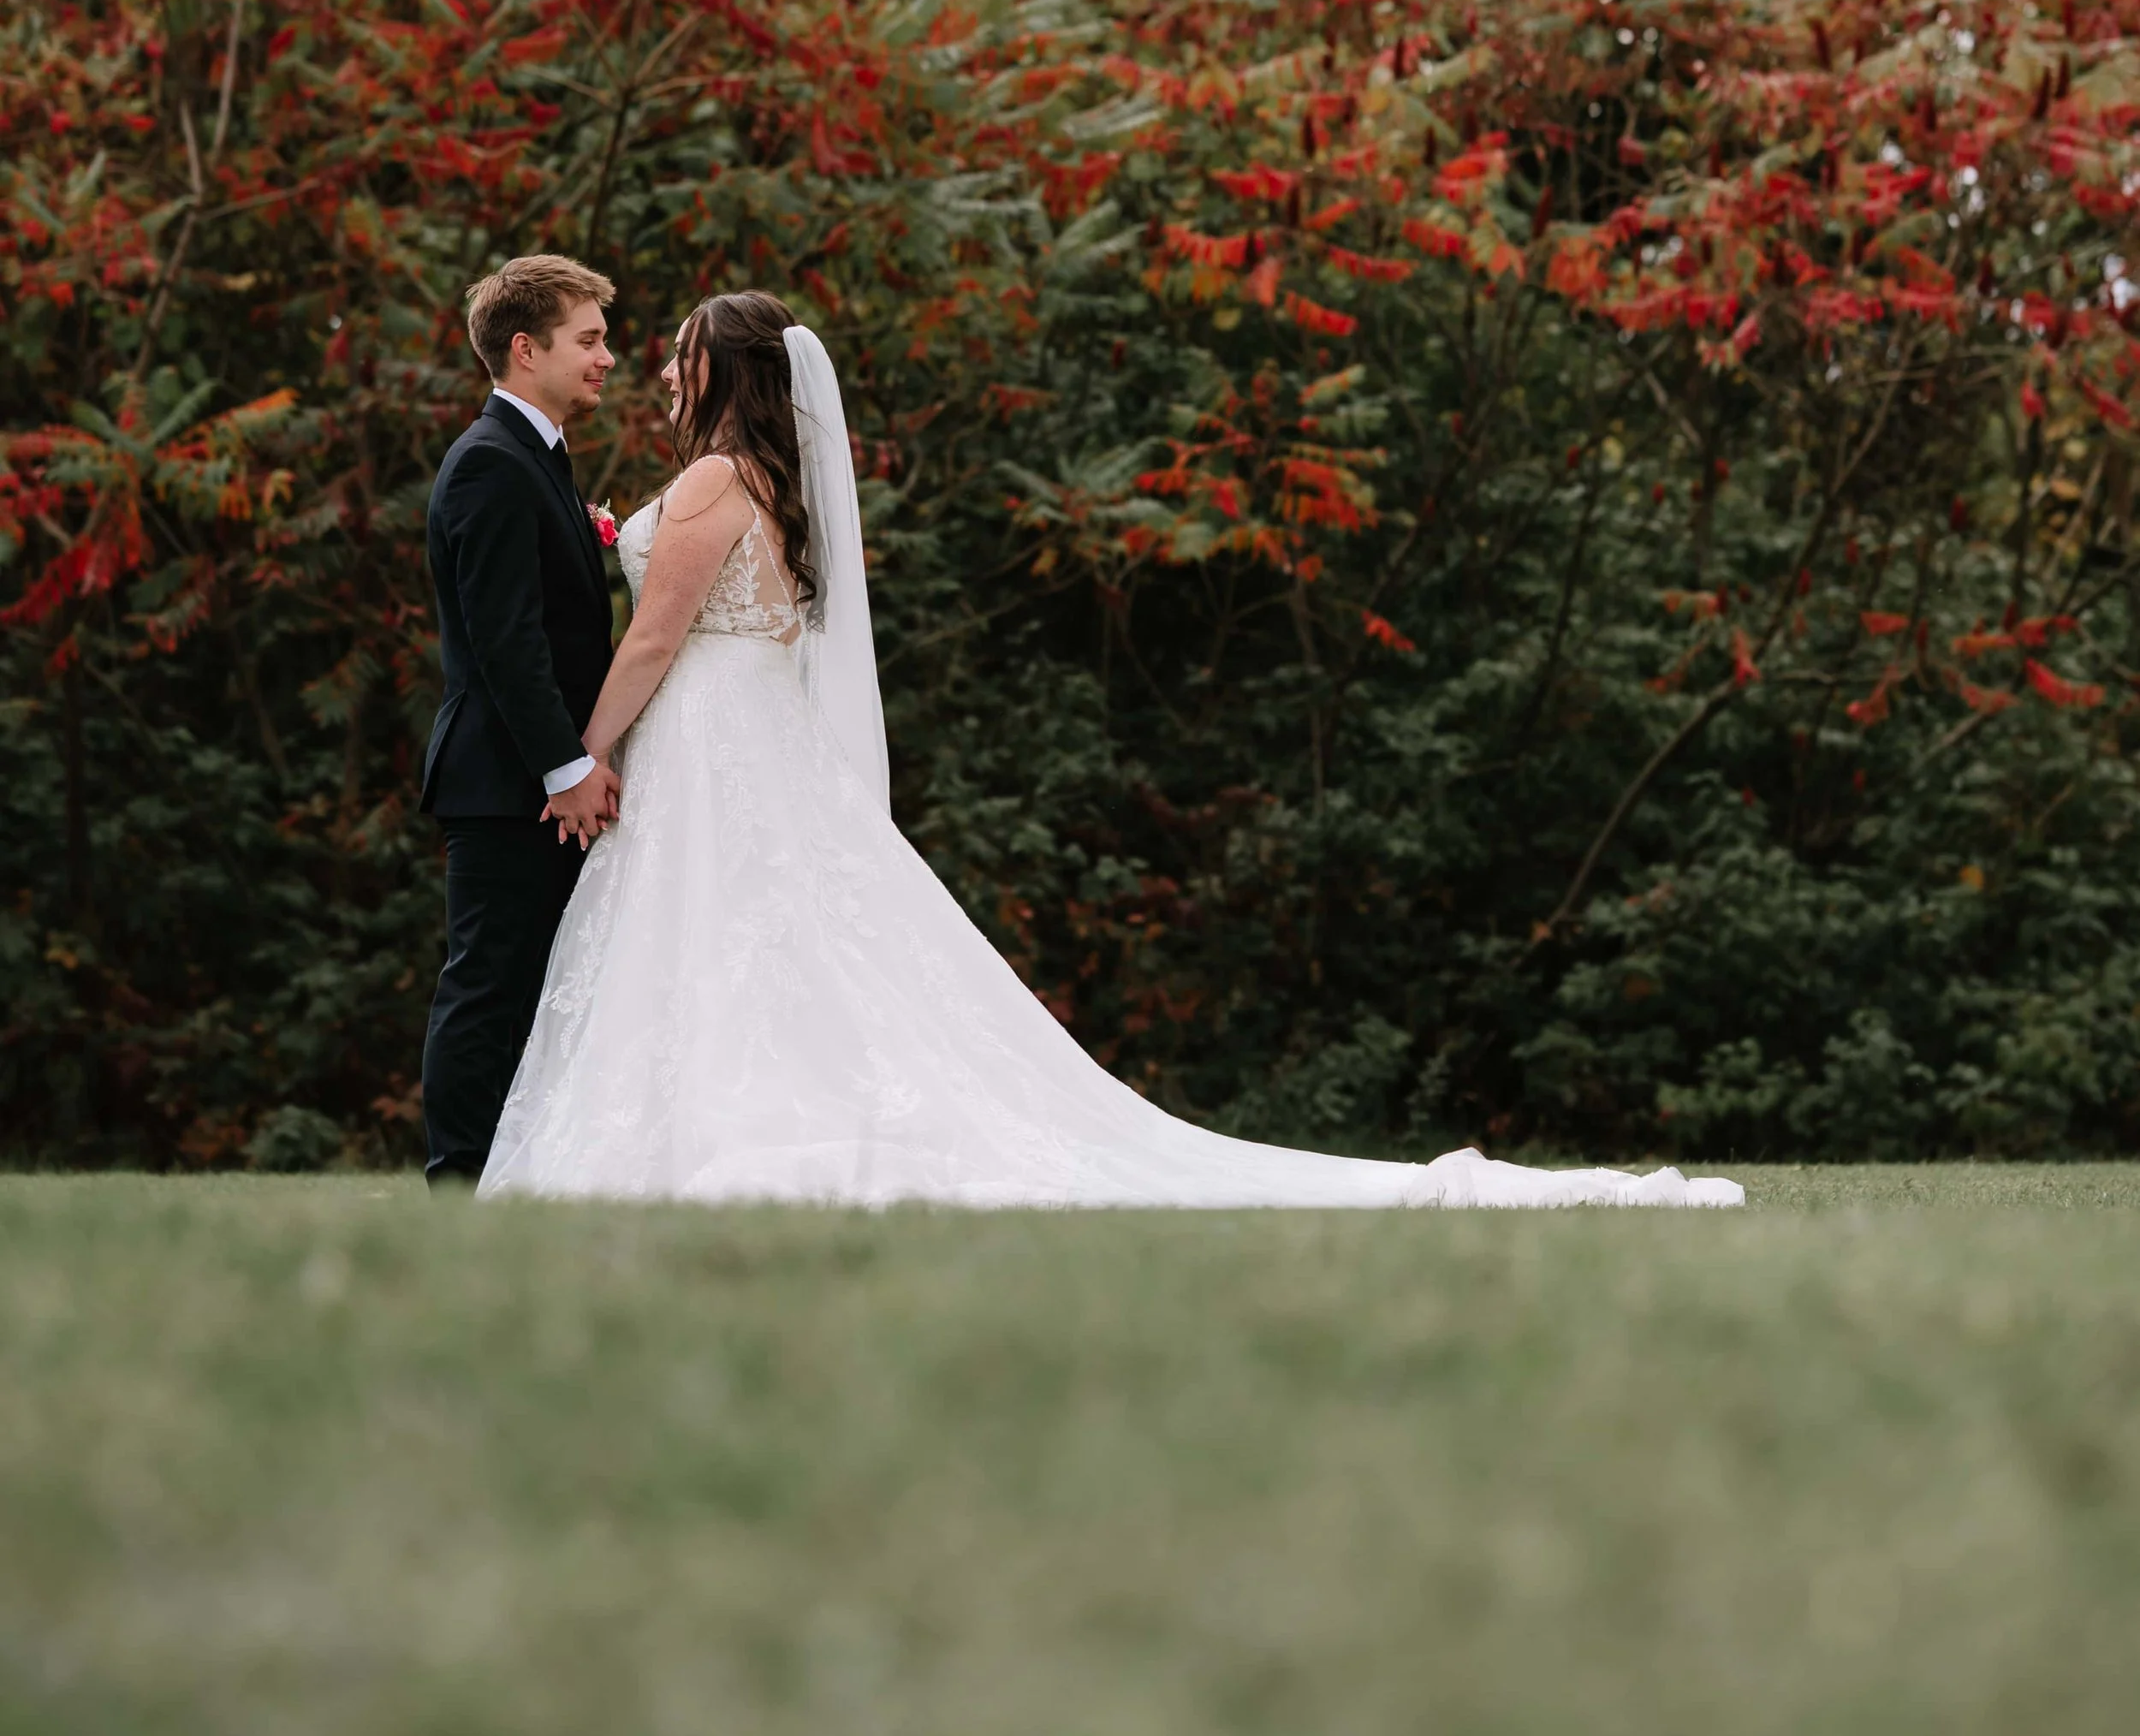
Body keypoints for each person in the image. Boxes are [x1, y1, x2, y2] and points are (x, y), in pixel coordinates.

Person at [482, 290, 1744, 1211]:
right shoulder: (772, 480)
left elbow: (651, 640)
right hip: (754, 735)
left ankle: (713, 1127)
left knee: (720, 933)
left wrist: (584, 758)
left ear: (730, 371)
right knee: (774, 936)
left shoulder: (710, 481)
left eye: (680, 356)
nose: (657, 372)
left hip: (711, 736)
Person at [418, 254, 622, 1184]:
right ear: (525, 347)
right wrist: (563, 767)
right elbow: (506, 640)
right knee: (489, 984)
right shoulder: (492, 464)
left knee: (535, 985)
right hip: (505, 778)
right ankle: (458, 1182)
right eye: (588, 338)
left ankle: (514, 1172)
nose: (607, 357)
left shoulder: (534, 457)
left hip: (527, 777)